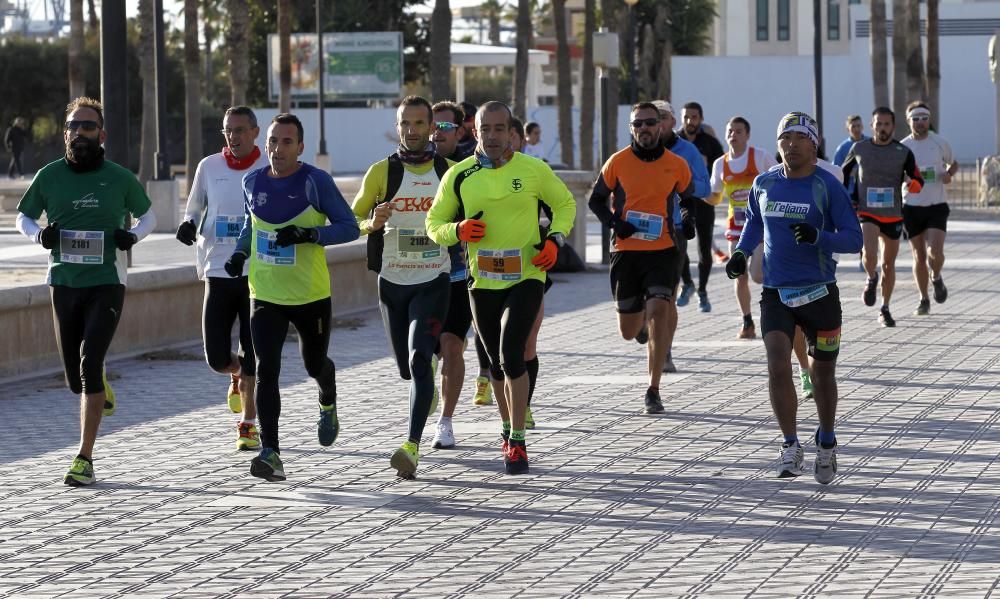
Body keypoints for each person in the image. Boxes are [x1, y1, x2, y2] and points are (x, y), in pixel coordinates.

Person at [426, 101, 576, 475]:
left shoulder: (533, 169)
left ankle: (519, 441)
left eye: (499, 129)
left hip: (527, 275)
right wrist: (457, 231)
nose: (492, 136)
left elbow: (566, 205)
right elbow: (434, 222)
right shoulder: (459, 175)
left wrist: (554, 241)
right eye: (485, 129)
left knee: (512, 353)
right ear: (475, 132)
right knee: (495, 363)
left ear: (512, 133)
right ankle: (508, 431)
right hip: (482, 280)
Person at [15, 97, 157, 486]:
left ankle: (84, 458)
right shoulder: (49, 176)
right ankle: (97, 382)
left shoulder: (119, 177)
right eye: (74, 126)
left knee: (89, 363)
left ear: (102, 134)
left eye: (88, 126)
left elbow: (149, 215)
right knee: (75, 381)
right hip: (63, 282)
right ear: (65, 134)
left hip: (107, 282)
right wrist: (39, 235)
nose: (80, 132)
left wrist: (133, 236)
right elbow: (22, 216)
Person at [726, 111, 862, 484]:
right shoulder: (764, 183)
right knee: (776, 364)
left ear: (814, 144)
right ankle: (789, 443)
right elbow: (753, 221)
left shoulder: (826, 185)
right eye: (785, 138)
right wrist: (741, 252)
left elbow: (854, 238)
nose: (791, 145)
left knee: (822, 374)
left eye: (800, 138)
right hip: (777, 291)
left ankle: (828, 441)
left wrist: (820, 236)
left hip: (820, 292)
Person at [226, 113, 360, 482]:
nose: (278, 148)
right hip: (265, 294)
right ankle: (271, 453)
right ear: (264, 144)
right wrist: (240, 253)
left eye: (287, 142)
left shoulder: (315, 182)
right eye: (272, 141)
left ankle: (327, 399)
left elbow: (350, 228)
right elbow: (252, 224)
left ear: (300, 147)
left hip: (310, 295)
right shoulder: (251, 181)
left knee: (314, 363)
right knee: (267, 370)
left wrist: (310, 235)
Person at [352, 96, 453, 479]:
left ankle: (411, 447)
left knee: (417, 358)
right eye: (404, 123)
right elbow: (354, 218)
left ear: (432, 127)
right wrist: (372, 223)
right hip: (392, 282)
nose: (412, 130)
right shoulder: (382, 172)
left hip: (433, 279)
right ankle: (423, 376)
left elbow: (472, 212)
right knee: (407, 371)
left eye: (419, 123)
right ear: (397, 127)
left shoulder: (449, 171)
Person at [588, 102, 694, 414]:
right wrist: (615, 223)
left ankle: (653, 388)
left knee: (661, 309)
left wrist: (687, 220)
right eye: (638, 124)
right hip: (625, 252)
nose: (645, 128)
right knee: (628, 330)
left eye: (650, 122)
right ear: (631, 128)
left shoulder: (676, 164)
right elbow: (595, 200)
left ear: (661, 126)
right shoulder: (617, 162)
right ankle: (642, 330)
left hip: (661, 250)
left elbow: (688, 199)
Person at [176, 106, 268, 450]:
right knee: (216, 356)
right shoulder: (209, 166)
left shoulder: (267, 167)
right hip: (216, 269)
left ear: (255, 132)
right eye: (229, 131)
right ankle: (234, 373)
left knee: (252, 353)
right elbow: (194, 207)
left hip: (256, 273)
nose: (235, 136)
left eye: (241, 130)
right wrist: (188, 224)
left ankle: (248, 423)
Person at [429, 101, 494, 420]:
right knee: (421, 353)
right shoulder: (409, 166)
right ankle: (424, 378)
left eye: (443, 126)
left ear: (461, 130)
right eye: (432, 126)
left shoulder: (473, 169)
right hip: (417, 274)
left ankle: (447, 419)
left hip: (462, 272)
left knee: (456, 344)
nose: (435, 132)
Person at [841, 107, 923, 327]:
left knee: (888, 264)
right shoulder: (859, 148)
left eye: (887, 124)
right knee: (869, 253)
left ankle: (885, 308)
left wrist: (911, 184)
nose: (883, 128)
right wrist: (842, 197)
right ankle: (870, 277)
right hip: (867, 212)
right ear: (872, 126)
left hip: (893, 215)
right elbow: (842, 174)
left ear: (893, 127)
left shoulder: (903, 152)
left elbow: (918, 181)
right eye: (879, 124)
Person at [708, 116, 777, 340]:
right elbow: (715, 196)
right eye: (730, 131)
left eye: (738, 131)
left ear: (747, 135)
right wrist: (692, 193)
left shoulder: (759, 156)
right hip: (735, 227)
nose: (733, 135)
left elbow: (780, 178)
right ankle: (747, 322)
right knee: (739, 275)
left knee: (758, 275)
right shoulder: (720, 164)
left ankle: (776, 306)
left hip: (759, 226)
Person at [650, 100, 705, 374]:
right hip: (642, 230)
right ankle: (642, 331)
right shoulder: (636, 151)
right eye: (650, 119)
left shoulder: (688, 152)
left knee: (667, 295)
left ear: (673, 122)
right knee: (641, 294)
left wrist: (681, 187)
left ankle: (665, 351)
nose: (655, 124)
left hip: (675, 230)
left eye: (662, 117)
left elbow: (705, 185)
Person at [901, 101, 957, 316]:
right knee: (919, 255)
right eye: (916, 119)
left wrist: (949, 174)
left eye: (924, 118)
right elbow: (897, 172)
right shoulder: (903, 147)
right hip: (912, 206)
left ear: (929, 120)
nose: (920, 122)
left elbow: (953, 163)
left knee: (936, 251)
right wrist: (905, 178)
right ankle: (923, 299)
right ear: (909, 121)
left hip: (936, 204)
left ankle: (936, 277)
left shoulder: (940, 142)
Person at [677, 101, 725, 312]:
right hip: (679, 202)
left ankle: (702, 291)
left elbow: (721, 168)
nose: (690, 121)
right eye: (686, 117)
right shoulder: (674, 141)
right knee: (679, 245)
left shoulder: (711, 143)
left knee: (705, 248)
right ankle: (687, 283)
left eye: (694, 117)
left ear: (701, 119)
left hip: (704, 201)